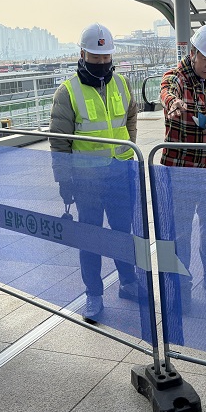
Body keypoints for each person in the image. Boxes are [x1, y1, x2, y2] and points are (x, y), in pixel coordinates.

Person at [49, 23, 138, 321]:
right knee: (90, 238)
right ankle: (94, 294)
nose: (101, 63)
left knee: (123, 233)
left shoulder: (122, 84)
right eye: (96, 57)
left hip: (120, 173)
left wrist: (130, 149)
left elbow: (131, 116)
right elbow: (59, 141)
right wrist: (64, 180)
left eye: (106, 57)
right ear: (83, 53)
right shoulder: (68, 92)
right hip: (87, 180)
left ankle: (128, 282)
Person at [159, 24, 206, 304]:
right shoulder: (176, 76)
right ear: (192, 53)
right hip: (181, 170)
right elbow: (167, 90)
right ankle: (182, 288)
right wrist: (173, 104)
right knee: (180, 232)